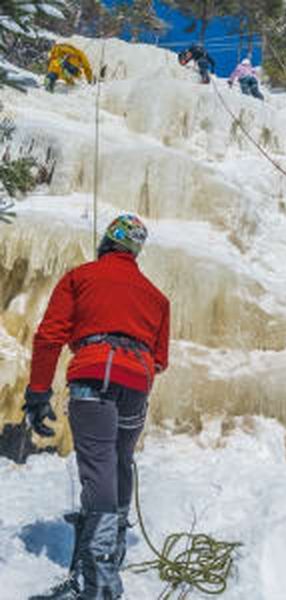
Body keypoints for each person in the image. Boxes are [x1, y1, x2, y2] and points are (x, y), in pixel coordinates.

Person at [24, 214, 170, 600]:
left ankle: (98, 582)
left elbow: (50, 335)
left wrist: (38, 392)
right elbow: (160, 358)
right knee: (121, 460)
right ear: (136, 251)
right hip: (137, 384)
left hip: (94, 377)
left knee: (99, 466)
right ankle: (112, 549)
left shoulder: (80, 277)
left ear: (106, 242)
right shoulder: (157, 297)